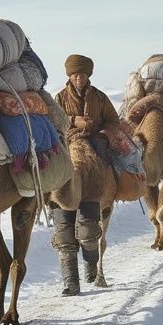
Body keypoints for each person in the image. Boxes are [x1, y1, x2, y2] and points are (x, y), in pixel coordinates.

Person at [52, 54, 120, 296]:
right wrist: (73, 121)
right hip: (66, 149)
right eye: (74, 74)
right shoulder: (59, 98)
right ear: (69, 76)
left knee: (89, 229)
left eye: (81, 74)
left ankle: (91, 264)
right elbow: (51, 121)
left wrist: (102, 133)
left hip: (93, 151)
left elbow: (114, 121)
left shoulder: (100, 98)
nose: (78, 78)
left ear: (88, 75)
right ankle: (70, 283)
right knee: (63, 233)